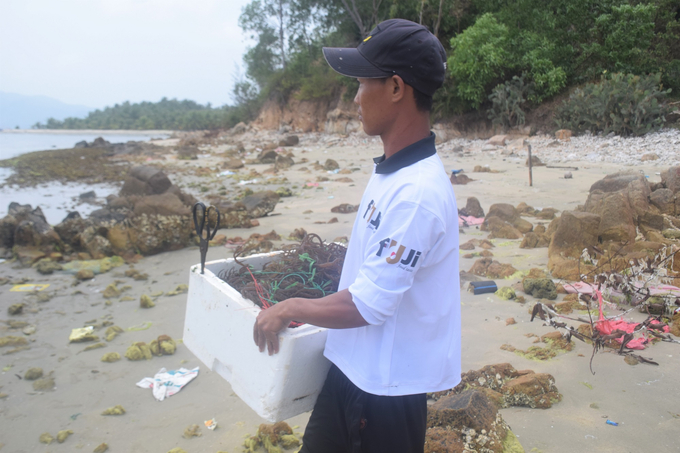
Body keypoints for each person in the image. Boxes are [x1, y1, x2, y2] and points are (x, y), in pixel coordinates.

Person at [253, 18, 461, 453]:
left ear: (397, 88)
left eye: (362, 82)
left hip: (386, 391)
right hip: (350, 369)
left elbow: (369, 304)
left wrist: (290, 307)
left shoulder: (416, 194)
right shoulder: (392, 170)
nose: (353, 98)